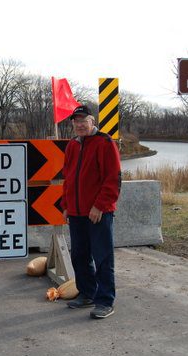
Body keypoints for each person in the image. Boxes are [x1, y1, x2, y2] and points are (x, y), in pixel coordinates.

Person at [60, 105, 121, 319]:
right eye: (75, 121)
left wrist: (100, 206)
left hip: (98, 212)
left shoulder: (105, 143)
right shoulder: (72, 146)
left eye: (83, 120)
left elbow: (112, 179)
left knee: (102, 256)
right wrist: (65, 205)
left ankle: (105, 301)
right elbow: (68, 179)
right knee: (79, 255)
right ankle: (87, 293)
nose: (79, 124)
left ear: (92, 121)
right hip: (76, 212)